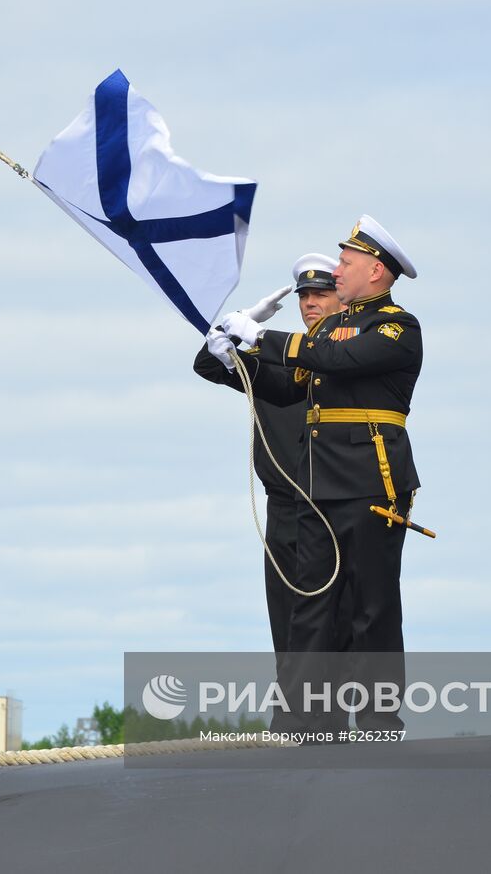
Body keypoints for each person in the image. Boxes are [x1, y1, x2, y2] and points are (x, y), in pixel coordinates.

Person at [216, 215, 422, 734]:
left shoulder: (397, 326)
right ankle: (305, 719)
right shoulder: (329, 328)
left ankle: (378, 716)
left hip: (372, 483)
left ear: (376, 271)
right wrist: (234, 351)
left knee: (372, 604)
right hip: (317, 487)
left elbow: (339, 358)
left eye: (346, 263)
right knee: (311, 605)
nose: (337, 270)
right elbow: (289, 387)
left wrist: (263, 339)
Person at [192, 255, 346, 667]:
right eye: (305, 296)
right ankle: (301, 723)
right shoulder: (280, 353)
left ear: (342, 300)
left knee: (343, 624)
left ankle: (345, 721)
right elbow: (208, 363)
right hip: (284, 509)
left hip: (335, 506)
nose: (311, 302)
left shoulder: (350, 355)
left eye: (322, 294)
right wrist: (234, 325)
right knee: (289, 624)